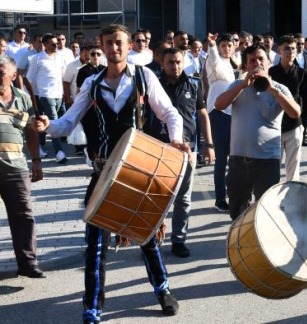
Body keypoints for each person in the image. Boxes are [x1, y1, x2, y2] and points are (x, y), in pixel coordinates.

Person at [33, 24, 187, 322]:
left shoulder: (144, 76)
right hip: (104, 172)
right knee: (95, 244)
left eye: (119, 43)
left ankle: (164, 290)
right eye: (108, 43)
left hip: (138, 169)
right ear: (101, 48)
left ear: (129, 46)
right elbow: (67, 122)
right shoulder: (91, 83)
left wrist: (176, 138)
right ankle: (92, 306)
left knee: (146, 236)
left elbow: (169, 113)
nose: (114, 48)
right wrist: (47, 126)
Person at [214, 44, 300, 220]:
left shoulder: (279, 88)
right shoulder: (237, 85)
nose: (257, 63)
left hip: (267, 161)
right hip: (239, 160)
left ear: (268, 62)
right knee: (237, 211)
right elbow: (219, 105)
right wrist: (242, 86)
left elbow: (295, 113)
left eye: (261, 59)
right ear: (246, 66)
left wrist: (272, 90)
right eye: (252, 61)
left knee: (266, 211)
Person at [144, 48, 214, 258]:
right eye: (170, 63)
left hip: (186, 149)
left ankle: (179, 240)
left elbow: (202, 114)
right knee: (155, 197)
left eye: (178, 62)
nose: (175, 67)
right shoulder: (151, 83)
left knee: (183, 199)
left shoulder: (194, 83)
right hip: (157, 148)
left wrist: (208, 144)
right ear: (162, 64)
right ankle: (152, 240)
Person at [0, 55, 46, 279]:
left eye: (1, 72)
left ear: (13, 75)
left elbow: (31, 131)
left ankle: (28, 263)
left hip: (16, 166)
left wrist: (36, 160)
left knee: (24, 215)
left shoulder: (23, 99)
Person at [268, 35, 307, 181]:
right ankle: (271, 198)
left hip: (295, 125)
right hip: (273, 126)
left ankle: (291, 198)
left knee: (293, 169)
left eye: (293, 49)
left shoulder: (302, 73)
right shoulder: (271, 73)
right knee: (272, 167)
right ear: (279, 51)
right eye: (287, 49)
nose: (290, 52)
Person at [204, 33, 236, 212]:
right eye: (223, 45)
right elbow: (214, 57)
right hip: (218, 114)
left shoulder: (231, 65)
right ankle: (220, 198)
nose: (226, 48)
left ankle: (233, 195)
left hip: (232, 115)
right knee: (221, 160)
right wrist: (212, 44)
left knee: (233, 160)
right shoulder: (213, 60)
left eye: (229, 45)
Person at [26, 33, 68, 163]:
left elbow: (64, 76)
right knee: (53, 122)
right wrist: (33, 97)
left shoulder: (60, 57)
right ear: (44, 45)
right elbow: (29, 79)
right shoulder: (37, 59)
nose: (56, 46)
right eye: (53, 44)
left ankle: (39, 146)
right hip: (46, 95)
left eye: (57, 43)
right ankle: (59, 152)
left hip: (59, 95)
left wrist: (65, 94)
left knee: (46, 122)